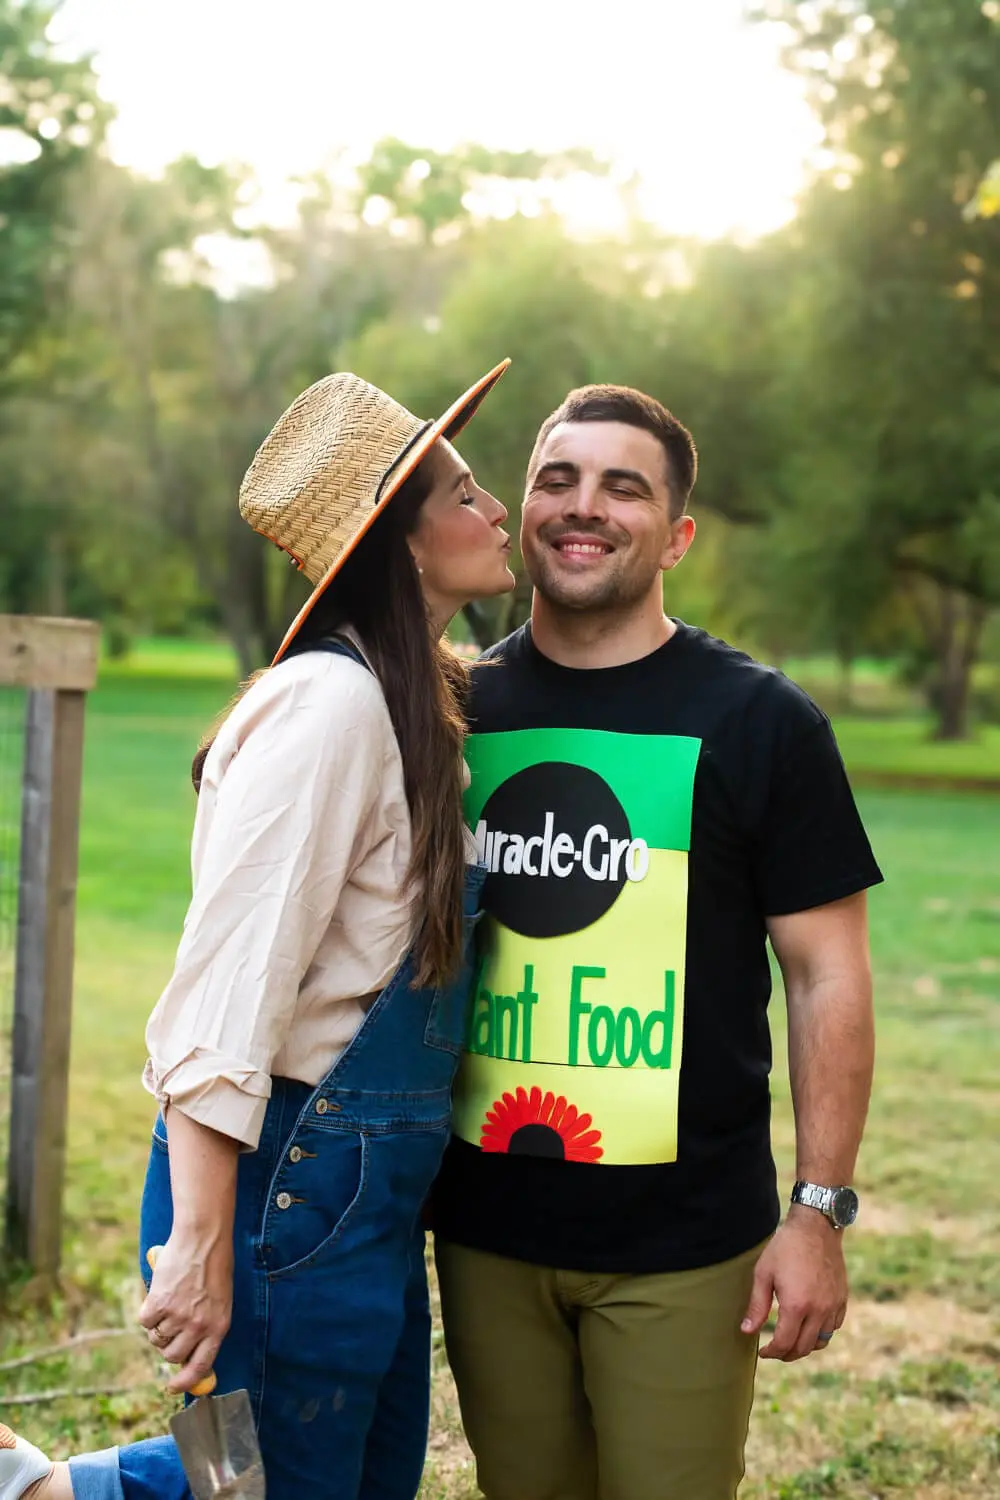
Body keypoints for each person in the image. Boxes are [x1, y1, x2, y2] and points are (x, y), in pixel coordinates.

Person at [1, 359, 514, 1500]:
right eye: (466, 494)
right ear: (402, 541)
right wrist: (196, 1245)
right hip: (282, 1175)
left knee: (352, 1475)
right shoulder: (325, 708)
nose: (497, 510)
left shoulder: (408, 698)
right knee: (258, 1484)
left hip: (359, 1187)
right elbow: (224, 991)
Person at [430, 383, 882, 1500]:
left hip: (688, 1245)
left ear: (674, 533)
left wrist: (817, 1213)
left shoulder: (760, 721)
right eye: (556, 479)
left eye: (621, 487)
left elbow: (827, 974)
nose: (583, 507)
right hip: (481, 1232)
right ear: (519, 511)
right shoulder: (450, 708)